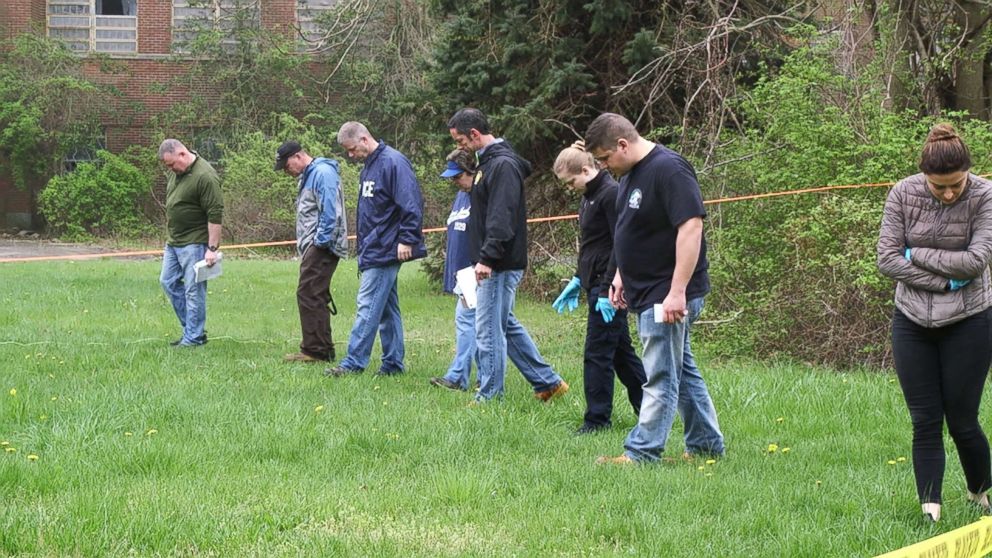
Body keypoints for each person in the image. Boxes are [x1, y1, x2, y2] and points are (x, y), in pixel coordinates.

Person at [584, 113, 724, 465]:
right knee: (682, 370)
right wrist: (619, 275)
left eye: (604, 158)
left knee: (660, 375)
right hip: (646, 288)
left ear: (622, 144)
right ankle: (706, 445)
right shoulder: (630, 172)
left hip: (668, 293)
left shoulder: (669, 169)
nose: (603, 167)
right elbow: (630, 230)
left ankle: (642, 452)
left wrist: (678, 291)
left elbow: (691, 227)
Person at [877, 123, 992, 523]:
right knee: (925, 419)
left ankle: (980, 491)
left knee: (962, 419)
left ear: (967, 174)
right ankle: (931, 512)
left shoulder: (984, 195)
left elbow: (976, 261)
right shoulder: (902, 193)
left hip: (970, 319)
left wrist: (916, 253)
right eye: (939, 186)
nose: (948, 193)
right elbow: (887, 258)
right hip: (911, 321)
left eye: (955, 185)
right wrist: (945, 281)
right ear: (924, 176)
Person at [447, 107, 568, 402]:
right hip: (491, 261)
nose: (459, 146)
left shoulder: (502, 166)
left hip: (498, 263)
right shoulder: (487, 164)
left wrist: (487, 258)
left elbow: (502, 217)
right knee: (505, 324)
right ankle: (547, 383)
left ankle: (489, 397)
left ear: (475, 134)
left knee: (487, 330)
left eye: (461, 140)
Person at [552, 141, 646, 434]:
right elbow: (592, 246)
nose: (570, 189)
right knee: (620, 353)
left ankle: (597, 420)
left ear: (585, 169)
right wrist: (579, 277)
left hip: (609, 289)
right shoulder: (588, 197)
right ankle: (649, 409)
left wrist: (607, 288)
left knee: (597, 354)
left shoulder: (610, 195)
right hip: (594, 283)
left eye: (571, 182)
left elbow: (621, 244)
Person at [326, 122, 427, 377]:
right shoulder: (369, 167)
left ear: (363, 139)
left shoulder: (394, 163)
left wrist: (407, 238)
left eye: (351, 149)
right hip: (373, 247)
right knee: (386, 309)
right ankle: (393, 364)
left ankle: (353, 362)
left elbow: (411, 202)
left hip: (388, 247)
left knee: (367, 305)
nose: (350, 156)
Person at [275, 140, 348, 364]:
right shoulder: (310, 175)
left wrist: (320, 242)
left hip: (322, 246)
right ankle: (321, 348)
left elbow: (330, 210)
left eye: (287, 166)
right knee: (314, 293)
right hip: (314, 245)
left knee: (308, 293)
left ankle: (315, 351)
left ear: (298, 156)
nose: (287, 172)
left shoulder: (322, 173)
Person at [158, 138, 223, 348]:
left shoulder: (205, 176)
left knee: (193, 291)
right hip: (174, 242)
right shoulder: (178, 173)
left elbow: (215, 214)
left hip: (194, 244)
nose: (170, 169)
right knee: (167, 282)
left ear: (182, 154)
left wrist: (212, 249)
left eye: (171, 164)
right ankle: (193, 330)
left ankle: (193, 338)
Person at [429, 149, 481, 391]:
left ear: (472, 171)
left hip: (476, 269)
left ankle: (460, 377)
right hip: (463, 272)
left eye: (458, 176)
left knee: (469, 321)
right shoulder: (462, 195)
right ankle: (482, 375)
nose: (454, 181)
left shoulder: (480, 196)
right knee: (477, 324)